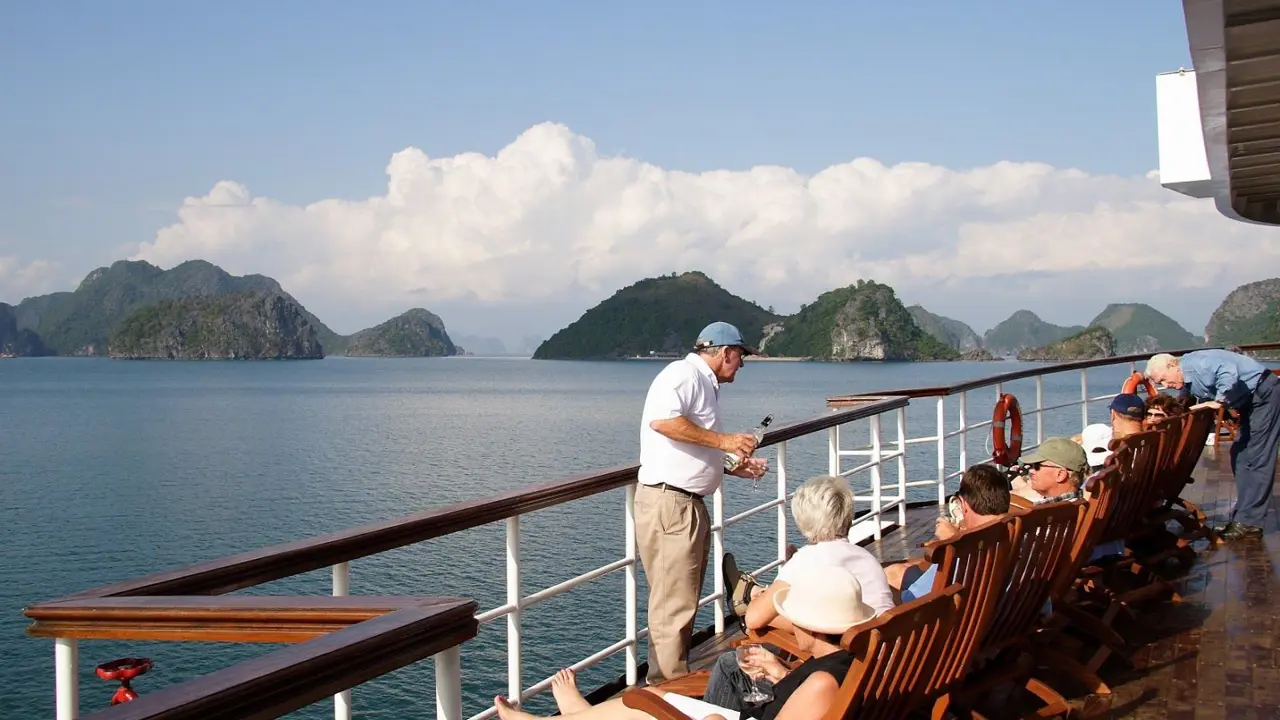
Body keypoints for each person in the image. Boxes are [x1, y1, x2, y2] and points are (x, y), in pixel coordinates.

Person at [494, 565, 873, 720]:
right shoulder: (852, 661)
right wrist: (781, 672)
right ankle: (577, 715)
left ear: (814, 624)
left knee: (644, 704)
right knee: (651, 700)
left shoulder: (823, 684)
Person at [636, 321, 769, 684]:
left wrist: (730, 468)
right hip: (672, 505)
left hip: (682, 503)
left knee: (680, 599)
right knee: (672, 604)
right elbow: (663, 422)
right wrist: (724, 442)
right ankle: (666, 688)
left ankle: (671, 680)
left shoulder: (702, 384)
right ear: (725, 352)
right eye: (740, 356)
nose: (742, 363)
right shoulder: (684, 374)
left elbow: (686, 445)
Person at [722, 475, 895, 635]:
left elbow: (754, 620)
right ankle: (756, 593)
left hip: (847, 653)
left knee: (761, 614)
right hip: (887, 646)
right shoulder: (867, 558)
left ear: (803, 519)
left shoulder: (806, 559)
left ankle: (747, 598)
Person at [1146, 350, 1280, 539]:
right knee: (1239, 455)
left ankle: (1250, 522)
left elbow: (1228, 372)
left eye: (1164, 380)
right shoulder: (1186, 372)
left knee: (1258, 458)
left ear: (1172, 365)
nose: (1166, 386)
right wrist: (1185, 394)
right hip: (1248, 400)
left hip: (1264, 394)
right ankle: (1244, 514)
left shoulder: (1201, 363)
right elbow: (1195, 384)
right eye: (1162, 384)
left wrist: (1218, 401)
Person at [885, 464, 1010, 602]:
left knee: (882, 579)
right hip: (996, 611)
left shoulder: (962, 551)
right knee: (899, 570)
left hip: (943, 617)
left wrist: (952, 541)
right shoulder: (1010, 532)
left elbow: (911, 600)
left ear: (963, 505)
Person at [1010, 437, 1089, 505]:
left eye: (1037, 466)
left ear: (1060, 474)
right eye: (1031, 466)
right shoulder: (1079, 505)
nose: (1031, 471)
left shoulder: (1043, 514)